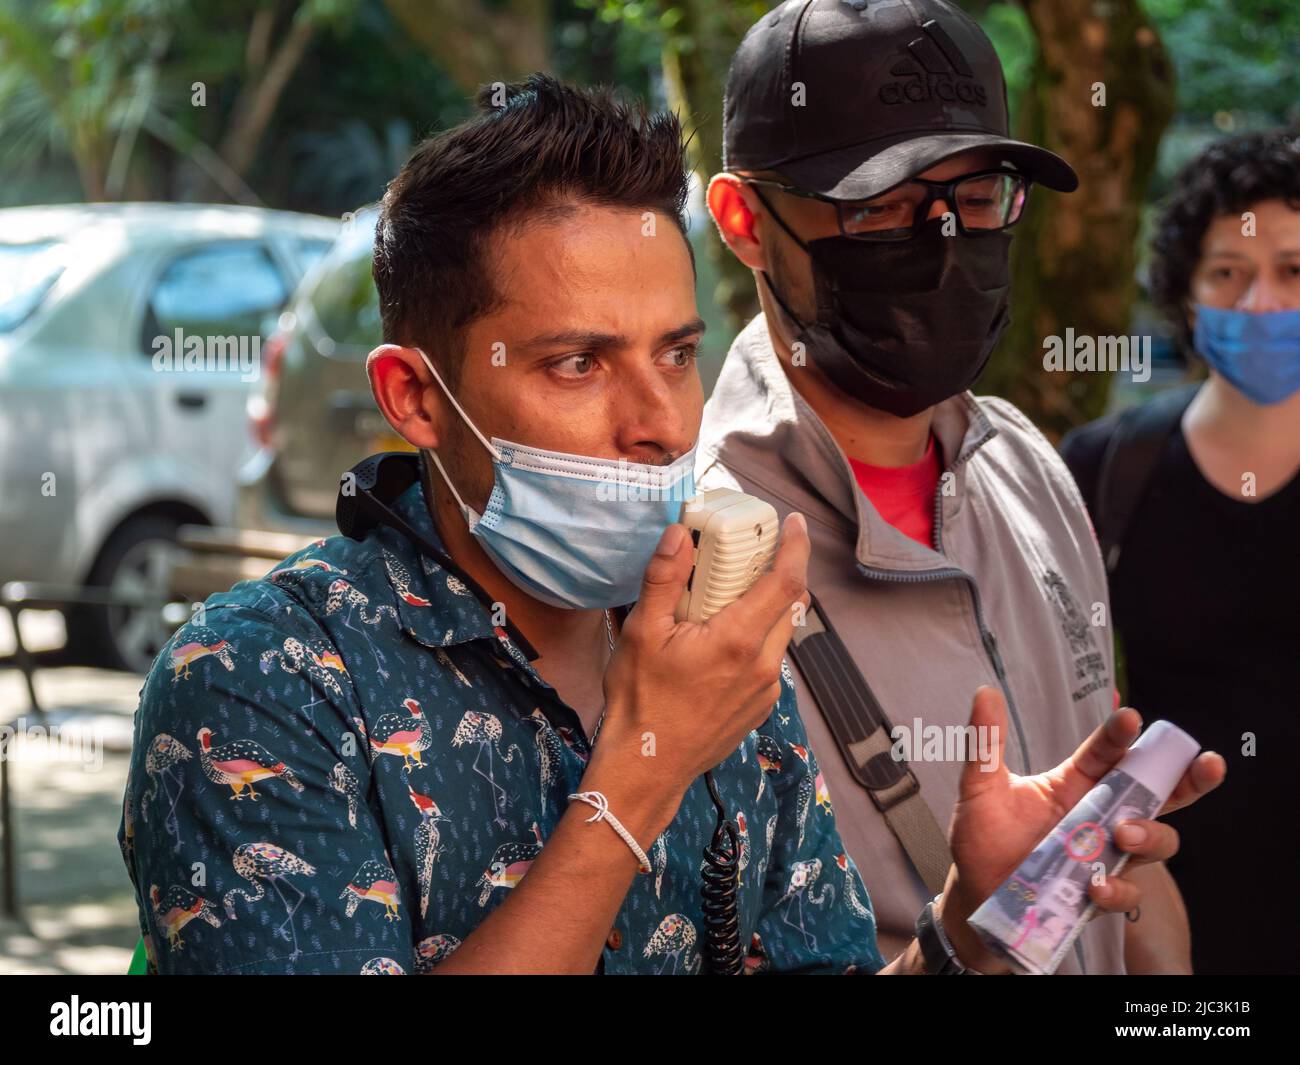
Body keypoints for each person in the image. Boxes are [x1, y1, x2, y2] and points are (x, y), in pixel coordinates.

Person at [118, 75, 1218, 975]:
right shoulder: (261, 681)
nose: (655, 424)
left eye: (678, 355)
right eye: (577, 363)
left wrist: (969, 929)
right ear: (413, 398)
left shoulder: (724, 648)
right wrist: (644, 768)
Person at [697, 0, 1203, 973]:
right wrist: (966, 940)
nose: (938, 240)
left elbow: (1125, 893)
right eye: (877, 205)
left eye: (975, 199)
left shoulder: (1027, 468)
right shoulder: (692, 558)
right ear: (742, 222)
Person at [1060, 127, 1300, 974]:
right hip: (1149, 912)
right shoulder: (1105, 466)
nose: (1263, 301)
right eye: (1229, 273)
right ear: (1188, 296)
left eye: (1293, 271)